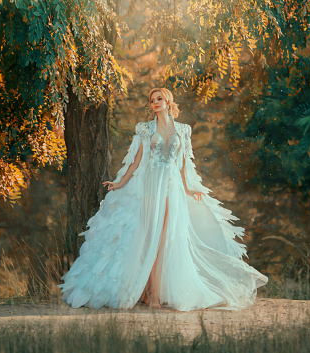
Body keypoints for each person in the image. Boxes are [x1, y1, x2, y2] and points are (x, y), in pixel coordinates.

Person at [57, 88, 268, 311]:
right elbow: (136, 162)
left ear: (168, 101)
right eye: (151, 100)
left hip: (173, 188)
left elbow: (184, 162)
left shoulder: (183, 130)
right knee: (153, 238)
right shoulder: (145, 129)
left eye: (159, 99)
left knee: (165, 240)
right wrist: (119, 183)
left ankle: (153, 292)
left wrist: (188, 189)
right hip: (151, 188)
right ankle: (152, 295)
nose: (155, 103)